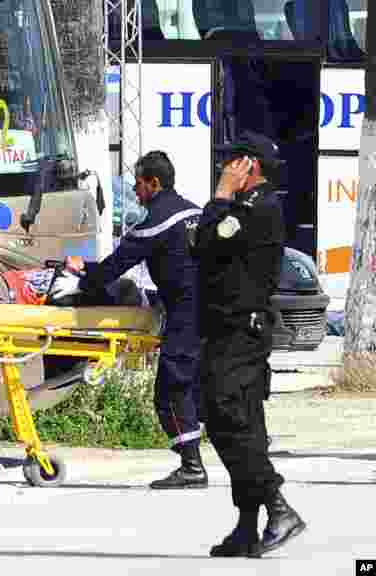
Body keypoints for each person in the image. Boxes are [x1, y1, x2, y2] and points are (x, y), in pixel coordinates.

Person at [58, 151, 206, 489]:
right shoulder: (195, 212)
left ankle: (192, 466)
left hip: (185, 314)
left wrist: (82, 280)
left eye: (138, 184)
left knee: (170, 389)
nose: (135, 191)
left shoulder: (156, 221)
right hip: (209, 309)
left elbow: (118, 264)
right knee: (200, 385)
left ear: (153, 183)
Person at [192, 132, 306, 557]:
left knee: (229, 419)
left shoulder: (255, 209)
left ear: (249, 166)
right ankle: (247, 525)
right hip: (231, 331)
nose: (225, 170)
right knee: (239, 424)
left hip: (240, 333)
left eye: (232, 162)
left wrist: (220, 195)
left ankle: (277, 506)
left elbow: (204, 243)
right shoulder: (247, 208)